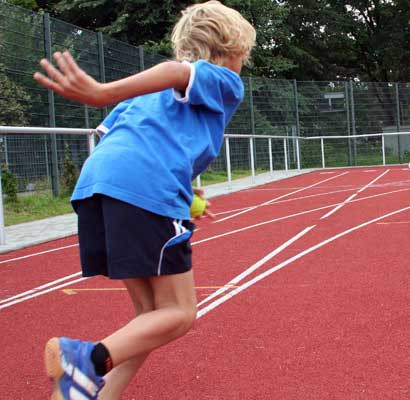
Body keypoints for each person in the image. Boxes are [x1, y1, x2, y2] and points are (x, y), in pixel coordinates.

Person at [33, 2, 256, 399]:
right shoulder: (224, 79)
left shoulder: (144, 99)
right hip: (144, 189)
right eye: (245, 56)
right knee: (179, 314)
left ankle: (90, 395)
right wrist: (101, 92)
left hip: (99, 185)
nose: (243, 65)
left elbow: (132, 140)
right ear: (232, 50)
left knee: (150, 319)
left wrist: (181, 187)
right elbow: (177, 71)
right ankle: (85, 359)